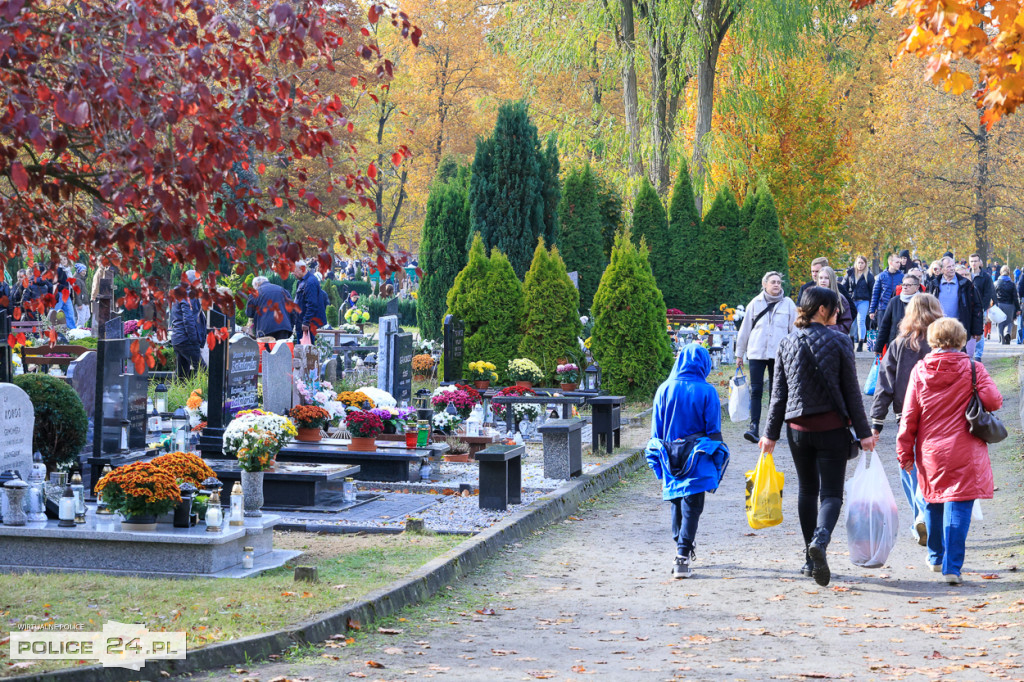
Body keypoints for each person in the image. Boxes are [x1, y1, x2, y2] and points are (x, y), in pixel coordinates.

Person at [761, 286, 876, 586]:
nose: (838, 313)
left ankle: (808, 559)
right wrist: (864, 434)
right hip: (832, 429)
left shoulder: (787, 342)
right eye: (836, 309)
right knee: (832, 494)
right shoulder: (840, 340)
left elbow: (778, 395)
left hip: (797, 430)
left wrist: (769, 434)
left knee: (807, 490)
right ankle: (820, 542)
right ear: (823, 310)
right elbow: (852, 392)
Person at [897, 318, 1001, 584]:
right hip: (966, 447)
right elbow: (994, 401)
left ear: (933, 340)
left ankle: (935, 557)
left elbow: (909, 415)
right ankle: (952, 568)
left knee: (933, 501)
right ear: (961, 339)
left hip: (931, 449)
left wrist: (904, 452)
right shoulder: (973, 368)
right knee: (960, 503)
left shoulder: (920, 370)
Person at [647, 343, 729, 579]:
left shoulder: (664, 389)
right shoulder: (707, 392)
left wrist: (658, 463)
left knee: (676, 502)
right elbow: (713, 430)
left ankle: (681, 545)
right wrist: (718, 460)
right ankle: (682, 555)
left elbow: (656, 433)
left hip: (670, 454)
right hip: (698, 456)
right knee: (693, 505)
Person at [871, 294, 944, 546]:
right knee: (935, 471)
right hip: (940, 418)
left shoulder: (900, 344)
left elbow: (885, 385)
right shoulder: (945, 344)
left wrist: (876, 422)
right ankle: (928, 516)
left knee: (909, 469)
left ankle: (919, 517)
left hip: (907, 416)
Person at [736, 271, 798, 444]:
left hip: (779, 354)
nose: (777, 285)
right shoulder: (755, 303)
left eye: (779, 282)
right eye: (773, 282)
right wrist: (739, 354)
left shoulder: (788, 304)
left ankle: (772, 429)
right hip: (757, 352)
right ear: (765, 284)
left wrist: (793, 353)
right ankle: (753, 426)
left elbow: (794, 331)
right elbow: (745, 330)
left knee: (776, 392)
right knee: (755, 390)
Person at [925, 256, 984, 356]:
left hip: (960, 328)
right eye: (948, 267)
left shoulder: (966, 284)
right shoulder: (933, 285)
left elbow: (976, 307)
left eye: (953, 266)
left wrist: (977, 330)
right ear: (941, 269)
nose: (952, 269)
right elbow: (926, 308)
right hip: (939, 329)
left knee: (960, 358)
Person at [170, 271, 206, 379]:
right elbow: (188, 319)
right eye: (199, 281)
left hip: (179, 338)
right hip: (186, 339)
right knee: (203, 370)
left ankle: (176, 394)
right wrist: (194, 339)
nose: (201, 284)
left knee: (182, 375)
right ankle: (203, 394)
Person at [876, 274, 922, 353]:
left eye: (908, 285)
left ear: (917, 287)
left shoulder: (922, 301)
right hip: (895, 344)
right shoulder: (894, 301)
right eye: (903, 284)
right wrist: (878, 347)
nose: (905, 287)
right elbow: (885, 325)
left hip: (916, 345)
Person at [246, 276, 298, 340]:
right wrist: (290, 327)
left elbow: (249, 313)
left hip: (265, 329)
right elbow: (292, 311)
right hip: (283, 328)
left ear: (256, 284)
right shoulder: (282, 290)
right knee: (282, 349)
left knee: (266, 349)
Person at [968, 254, 995, 361]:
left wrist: (982, 308)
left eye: (975, 261)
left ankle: (978, 354)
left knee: (979, 330)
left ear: (980, 262)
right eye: (971, 261)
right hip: (967, 307)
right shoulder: (966, 275)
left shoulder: (985, 277)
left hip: (980, 308)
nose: (973, 263)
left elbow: (988, 294)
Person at [845, 256, 874, 351]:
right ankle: (852, 340)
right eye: (859, 262)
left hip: (864, 301)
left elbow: (873, 291)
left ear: (865, 264)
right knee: (852, 322)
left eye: (862, 263)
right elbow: (843, 287)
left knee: (861, 320)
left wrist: (873, 306)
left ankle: (861, 342)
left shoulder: (869, 276)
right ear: (856, 263)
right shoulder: (850, 274)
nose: (860, 265)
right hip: (852, 300)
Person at [294, 260, 328, 341]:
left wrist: (306, 322)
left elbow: (312, 304)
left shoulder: (310, 282)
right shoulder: (302, 281)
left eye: (294, 271)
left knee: (307, 350)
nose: (293, 274)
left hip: (308, 325)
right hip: (301, 322)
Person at [816, 266, 854, 335]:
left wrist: (828, 330)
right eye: (821, 278)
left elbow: (846, 323)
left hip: (834, 337)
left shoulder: (840, 299)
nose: (823, 280)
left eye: (826, 278)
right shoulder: (812, 298)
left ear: (832, 280)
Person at [870, 254, 904, 327]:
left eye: (899, 262)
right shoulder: (881, 276)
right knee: (882, 330)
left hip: (897, 308)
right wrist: (872, 310)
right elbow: (875, 294)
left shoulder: (902, 276)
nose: (899, 264)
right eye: (897, 262)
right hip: (883, 307)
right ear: (891, 263)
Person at [994, 266, 1020, 344]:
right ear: (1009, 273)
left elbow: (993, 295)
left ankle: (1001, 338)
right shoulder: (1012, 284)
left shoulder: (996, 283)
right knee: (1009, 321)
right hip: (1010, 305)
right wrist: (1018, 308)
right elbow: (1015, 297)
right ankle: (1007, 333)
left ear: (1000, 272)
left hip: (999, 305)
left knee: (1000, 322)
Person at [51, 264, 76, 329]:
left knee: (70, 313)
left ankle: (72, 331)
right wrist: (62, 287)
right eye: (63, 259)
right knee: (54, 313)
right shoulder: (58, 269)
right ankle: (50, 330)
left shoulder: (68, 271)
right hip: (59, 294)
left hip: (67, 294)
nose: (65, 261)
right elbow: (53, 282)